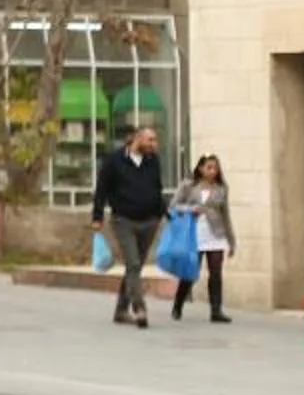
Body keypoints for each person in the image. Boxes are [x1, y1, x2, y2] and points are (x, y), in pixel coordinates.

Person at [89, 120, 168, 328]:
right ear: (137, 139)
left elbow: (157, 188)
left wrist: (165, 213)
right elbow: (101, 190)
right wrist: (97, 217)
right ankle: (139, 307)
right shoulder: (114, 161)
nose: (154, 144)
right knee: (133, 263)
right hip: (124, 220)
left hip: (149, 221)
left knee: (135, 267)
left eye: (155, 140)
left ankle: (120, 311)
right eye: (150, 140)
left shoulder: (153, 161)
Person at [169, 152, 235, 323]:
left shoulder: (222, 188)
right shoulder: (188, 186)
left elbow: (225, 214)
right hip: (194, 234)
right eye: (209, 167)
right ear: (201, 168)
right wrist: (191, 209)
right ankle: (178, 304)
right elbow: (173, 206)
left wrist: (231, 240)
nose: (213, 171)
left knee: (215, 272)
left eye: (216, 168)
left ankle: (216, 310)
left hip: (216, 234)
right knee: (191, 272)